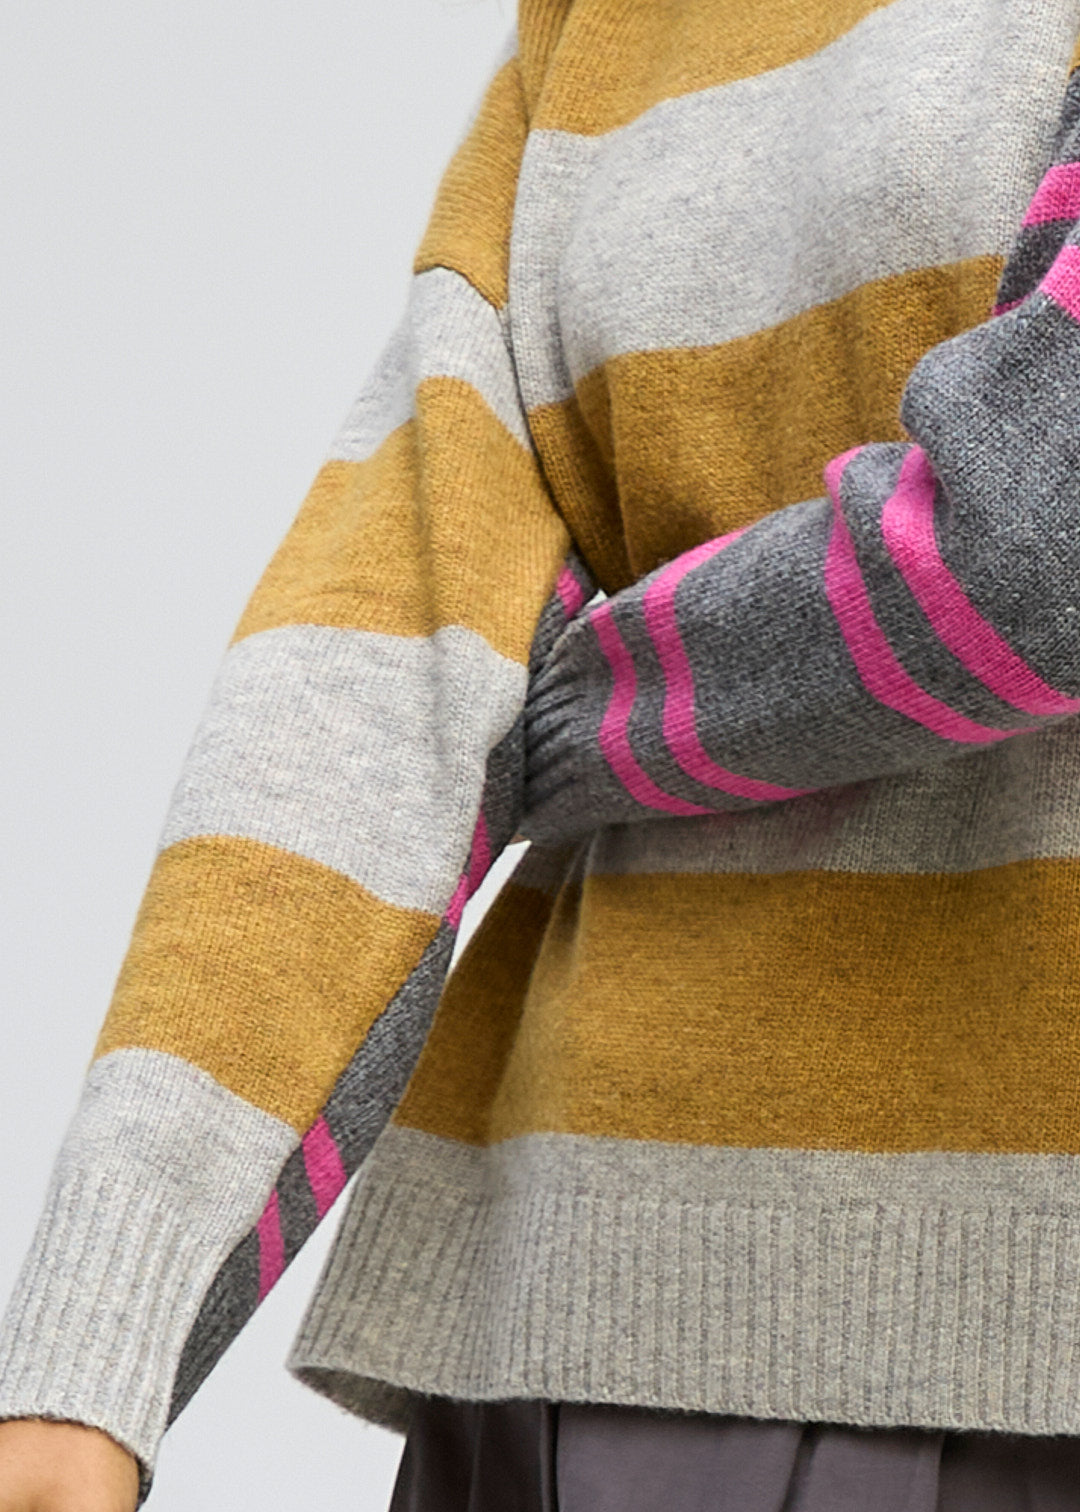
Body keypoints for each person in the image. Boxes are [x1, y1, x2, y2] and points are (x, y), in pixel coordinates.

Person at [6, 0, 1080, 1507]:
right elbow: (377, 665)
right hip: (548, 1343)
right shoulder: (595, 25)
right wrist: (85, 1359)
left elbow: (1038, 538)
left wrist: (568, 718)